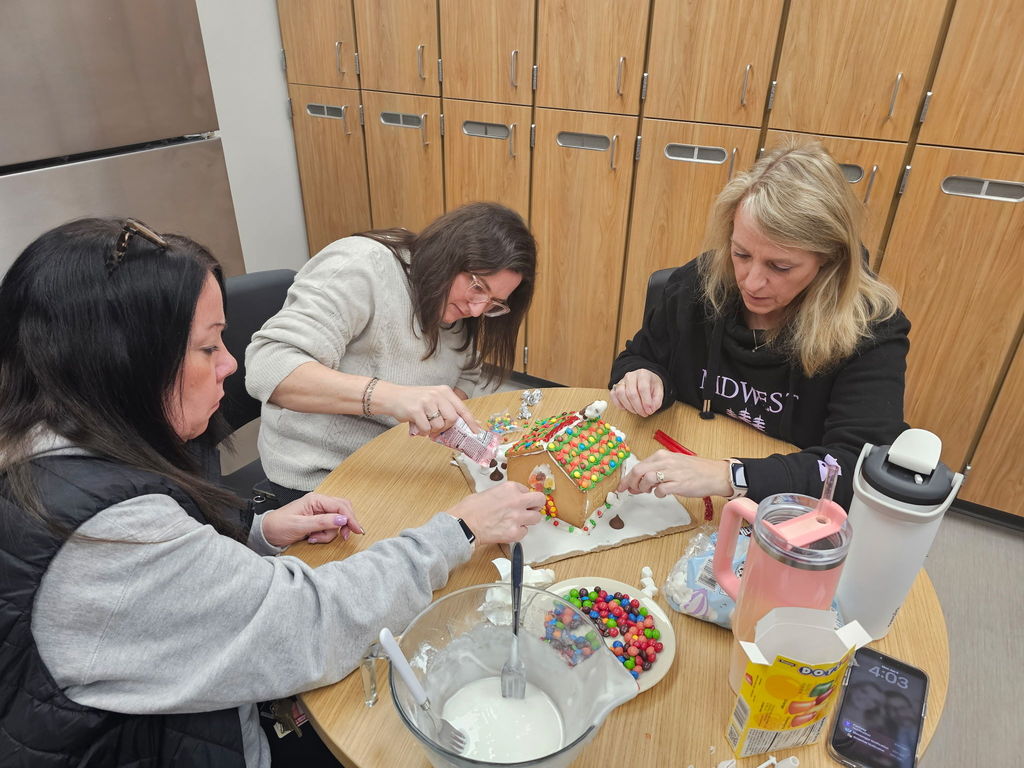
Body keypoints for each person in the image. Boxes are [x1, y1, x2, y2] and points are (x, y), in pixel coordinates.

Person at [0, 218, 544, 768]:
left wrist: (255, 533)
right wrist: (460, 530)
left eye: (495, 303)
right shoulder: (113, 537)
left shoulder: (68, 452)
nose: (229, 363)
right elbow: (310, 625)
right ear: (122, 360)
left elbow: (178, 567)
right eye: (208, 346)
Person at [610, 141, 909, 509]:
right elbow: (637, 357)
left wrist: (730, 475)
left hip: (785, 510)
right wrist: (642, 376)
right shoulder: (698, 284)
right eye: (741, 254)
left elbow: (855, 468)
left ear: (828, 259)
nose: (751, 283)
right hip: (680, 491)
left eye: (780, 266)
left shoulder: (871, 330)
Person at [246, 202, 537, 503]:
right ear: (449, 255)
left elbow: (468, 369)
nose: (476, 310)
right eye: (477, 287)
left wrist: (443, 413)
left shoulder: (460, 307)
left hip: (395, 459)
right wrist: (393, 397)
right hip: (321, 475)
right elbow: (269, 366)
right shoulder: (363, 267)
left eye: (493, 303)